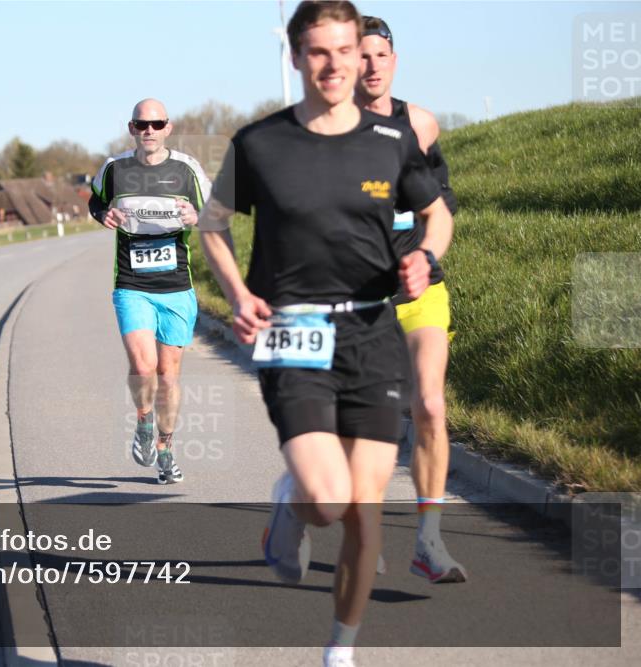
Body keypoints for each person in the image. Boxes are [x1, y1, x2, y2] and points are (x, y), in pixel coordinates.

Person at [197, 2, 451, 665]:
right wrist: (239, 293)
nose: (335, 64)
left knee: (365, 508)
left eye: (346, 50)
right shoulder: (258, 144)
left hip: (372, 333)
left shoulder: (392, 141)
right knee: (330, 501)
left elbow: (437, 214)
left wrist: (424, 256)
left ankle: (339, 650)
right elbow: (212, 223)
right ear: (296, 57)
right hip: (294, 331)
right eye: (319, 51)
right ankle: (293, 499)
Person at [356, 15, 466, 583]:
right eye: (361, 55)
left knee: (429, 406)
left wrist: (425, 255)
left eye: (381, 55)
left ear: (394, 60)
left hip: (422, 287)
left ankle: (428, 541)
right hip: (359, 299)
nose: (371, 66)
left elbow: (440, 209)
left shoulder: (420, 124)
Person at [89, 99, 212, 485]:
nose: (149, 131)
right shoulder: (114, 168)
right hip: (132, 285)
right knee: (143, 368)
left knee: (168, 376)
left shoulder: (187, 169)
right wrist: (103, 214)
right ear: (131, 128)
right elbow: (96, 202)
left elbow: (215, 212)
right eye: (142, 125)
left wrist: (198, 217)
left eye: (156, 124)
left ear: (168, 127)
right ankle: (143, 422)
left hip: (177, 287)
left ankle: (166, 449)